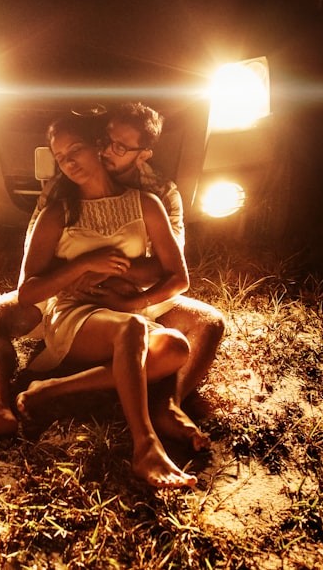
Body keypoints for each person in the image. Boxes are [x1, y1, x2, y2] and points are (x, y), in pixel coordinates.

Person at [0, 103, 224, 445]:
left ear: (143, 154)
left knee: (208, 323)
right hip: (71, 294)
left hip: (133, 293)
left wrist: (120, 276)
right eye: (106, 140)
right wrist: (84, 269)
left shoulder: (158, 193)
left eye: (119, 146)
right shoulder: (61, 195)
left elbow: (170, 266)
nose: (107, 149)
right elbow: (35, 268)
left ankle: (169, 404)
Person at [14, 111, 198, 488]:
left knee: (176, 347)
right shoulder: (57, 211)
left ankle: (51, 389)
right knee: (132, 331)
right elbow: (27, 292)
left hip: (123, 313)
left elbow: (178, 278)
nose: (68, 162)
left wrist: (132, 301)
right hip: (75, 317)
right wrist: (84, 264)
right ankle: (145, 445)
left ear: (98, 147)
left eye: (75, 149)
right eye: (60, 156)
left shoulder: (147, 203)